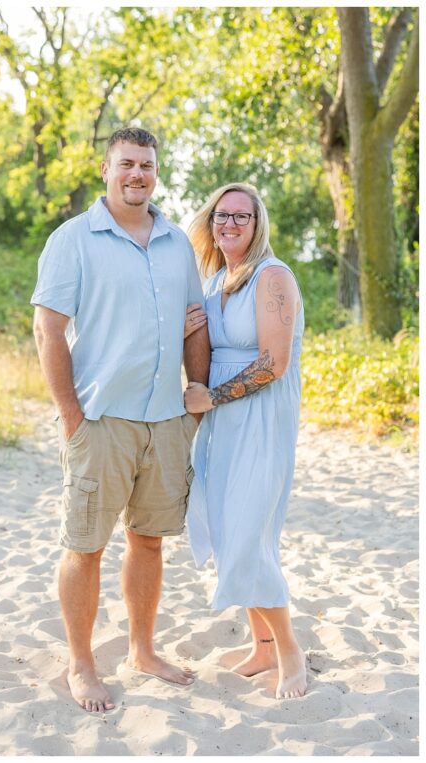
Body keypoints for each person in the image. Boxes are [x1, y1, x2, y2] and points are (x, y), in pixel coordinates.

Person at [31, 126, 211, 712]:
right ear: (106, 169)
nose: (138, 174)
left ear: (156, 173)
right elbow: (48, 330)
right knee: (85, 546)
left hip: (166, 421)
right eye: (127, 164)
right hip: (101, 420)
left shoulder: (177, 242)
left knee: (149, 542)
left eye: (147, 165)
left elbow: (194, 322)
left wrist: (195, 394)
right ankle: (81, 664)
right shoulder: (73, 239)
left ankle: (142, 650)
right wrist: (71, 415)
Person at [183, 182, 307, 700]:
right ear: (211, 223)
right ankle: (262, 646)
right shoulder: (216, 281)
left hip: (260, 417)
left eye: (241, 216)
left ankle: (290, 652)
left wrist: (211, 397)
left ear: (258, 225)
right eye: (222, 215)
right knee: (229, 529)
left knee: (249, 535)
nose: (230, 223)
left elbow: (273, 363)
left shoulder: (271, 276)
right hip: (222, 423)